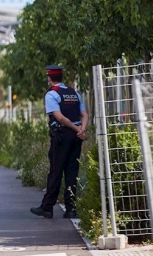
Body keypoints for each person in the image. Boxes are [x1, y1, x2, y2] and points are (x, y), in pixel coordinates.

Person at [31, 64, 89, 219]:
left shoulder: (52, 94)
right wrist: (81, 130)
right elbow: (84, 114)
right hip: (76, 138)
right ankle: (71, 209)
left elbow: (59, 117)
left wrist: (77, 130)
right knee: (72, 171)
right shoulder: (74, 93)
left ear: (49, 78)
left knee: (56, 171)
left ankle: (47, 207)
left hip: (62, 136)